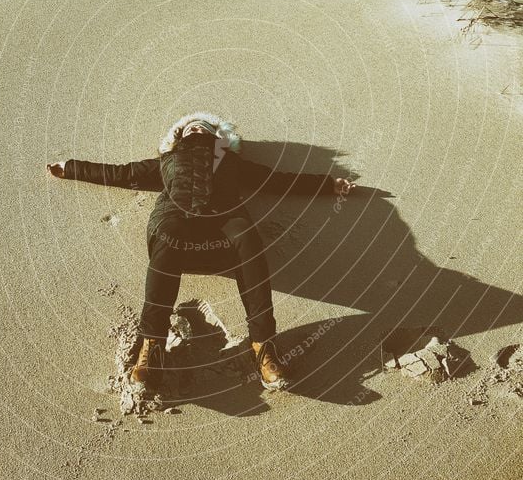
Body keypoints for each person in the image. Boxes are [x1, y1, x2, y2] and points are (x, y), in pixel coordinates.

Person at [47, 111, 355, 392]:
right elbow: (121, 174)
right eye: (188, 126)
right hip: (175, 227)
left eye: (205, 125)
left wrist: (328, 185)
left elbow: (277, 181)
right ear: (177, 138)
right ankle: (151, 348)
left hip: (224, 230)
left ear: (220, 137)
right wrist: (71, 168)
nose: (196, 125)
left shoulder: (233, 164)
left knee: (247, 236)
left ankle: (263, 347)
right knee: (167, 234)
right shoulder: (165, 162)